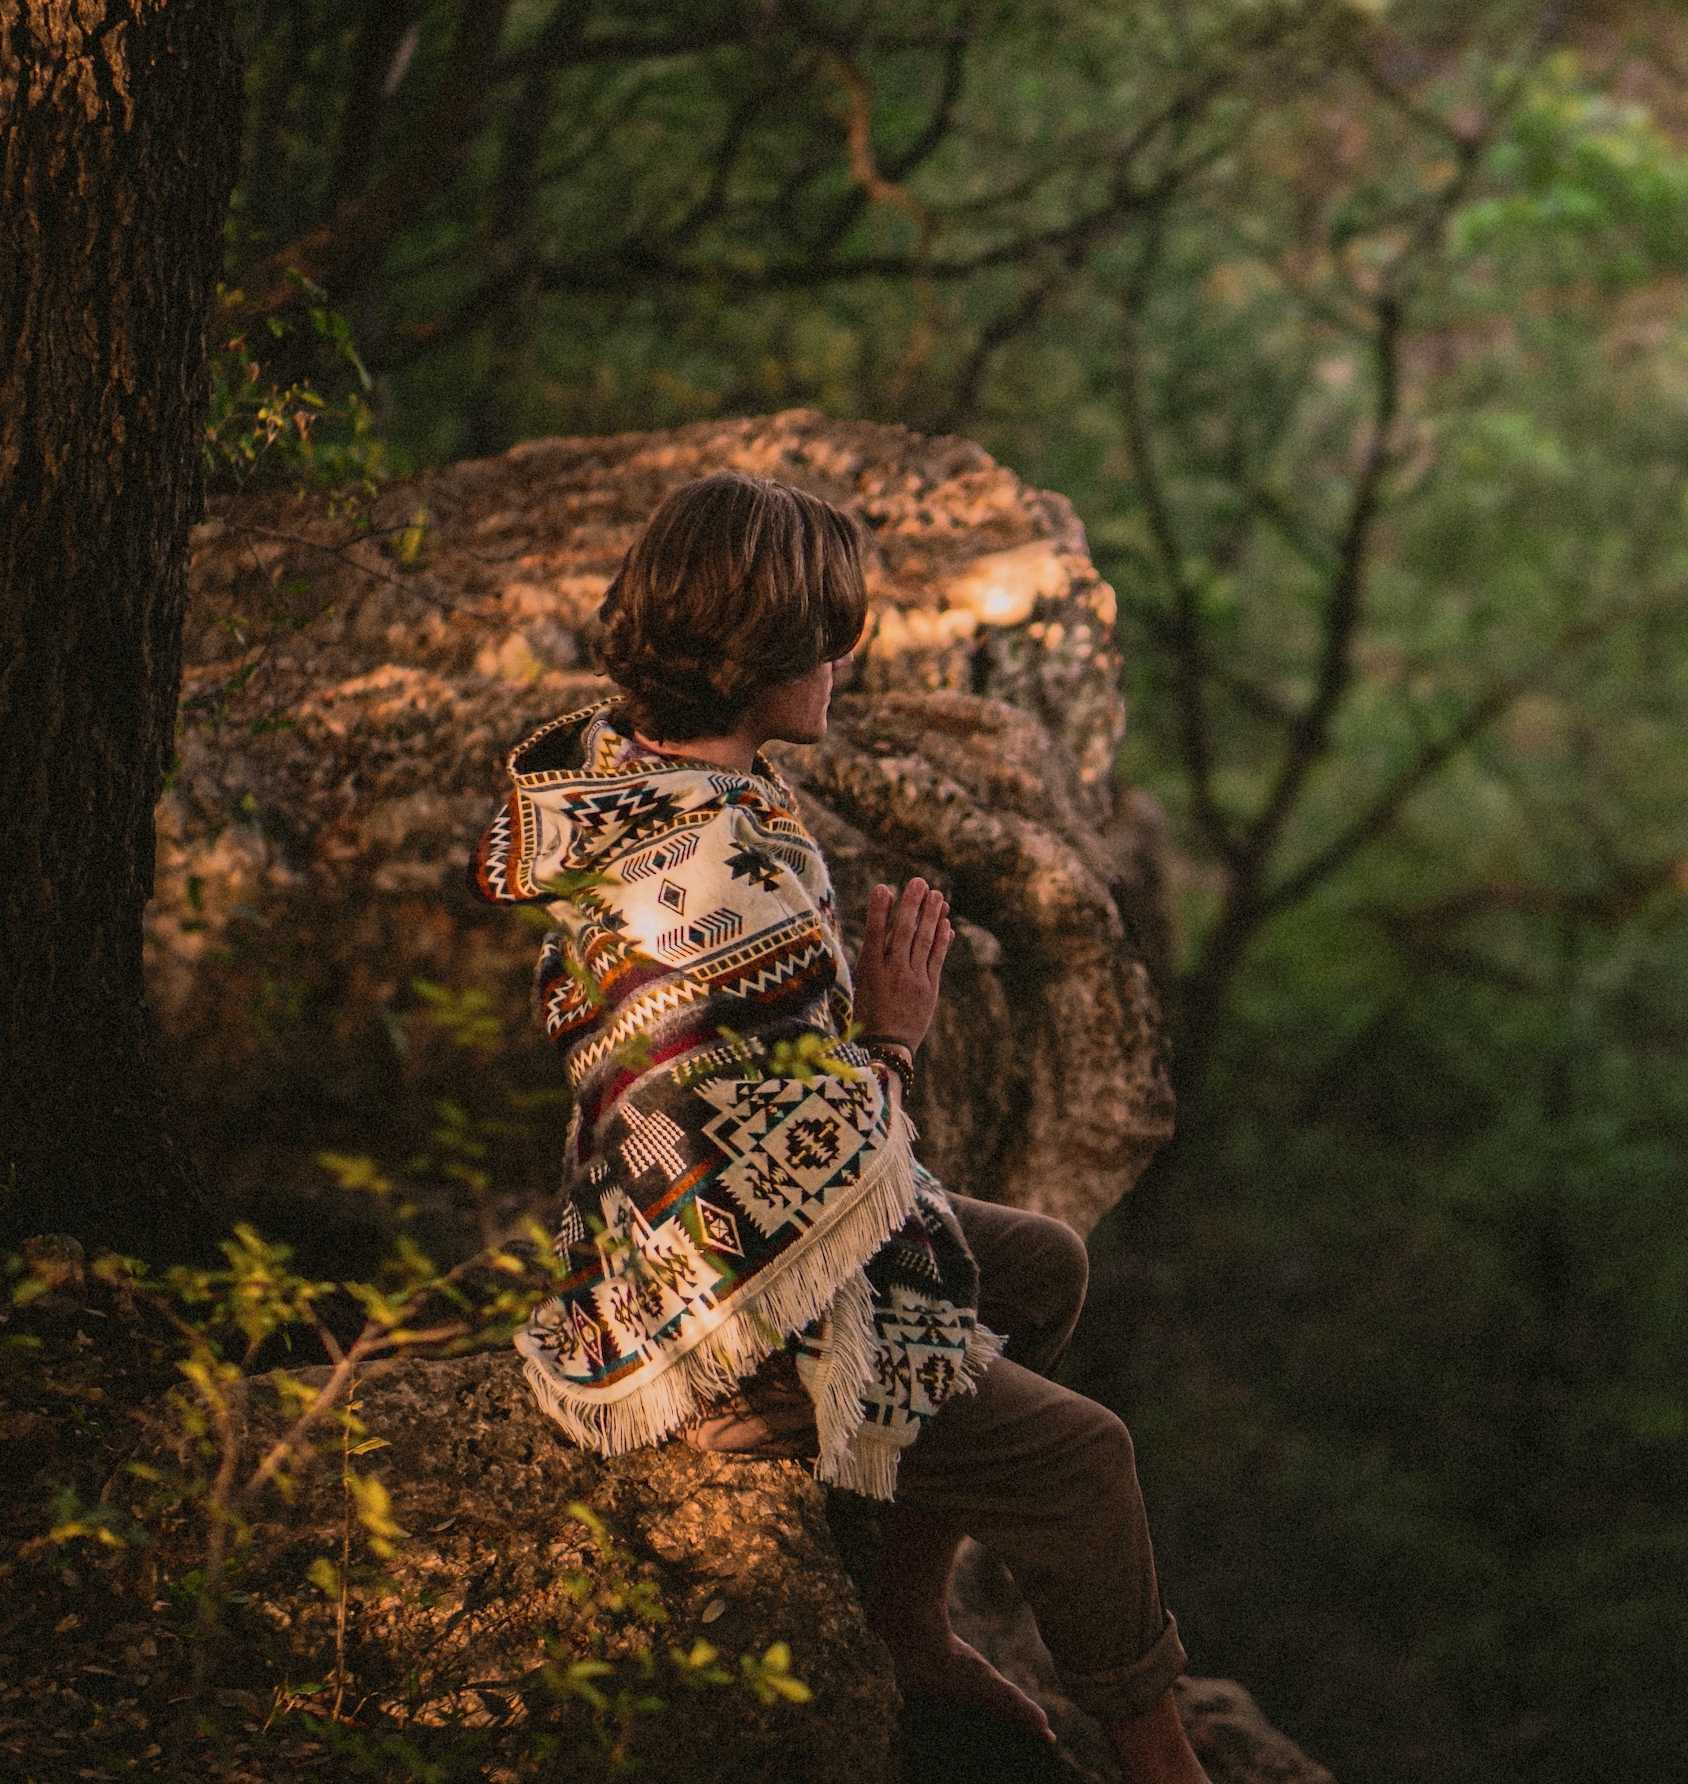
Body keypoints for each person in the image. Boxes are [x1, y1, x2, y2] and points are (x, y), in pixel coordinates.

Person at [469, 470, 1211, 1782]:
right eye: (827, 632)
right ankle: (1169, 1766)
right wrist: (895, 1032)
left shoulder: (636, 791)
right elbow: (796, 1171)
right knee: (1085, 1460)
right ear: (755, 648)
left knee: (1042, 1263)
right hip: (721, 1329)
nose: (844, 657)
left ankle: (907, 1618)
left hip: (658, 1257)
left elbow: (742, 1110)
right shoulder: (723, 865)